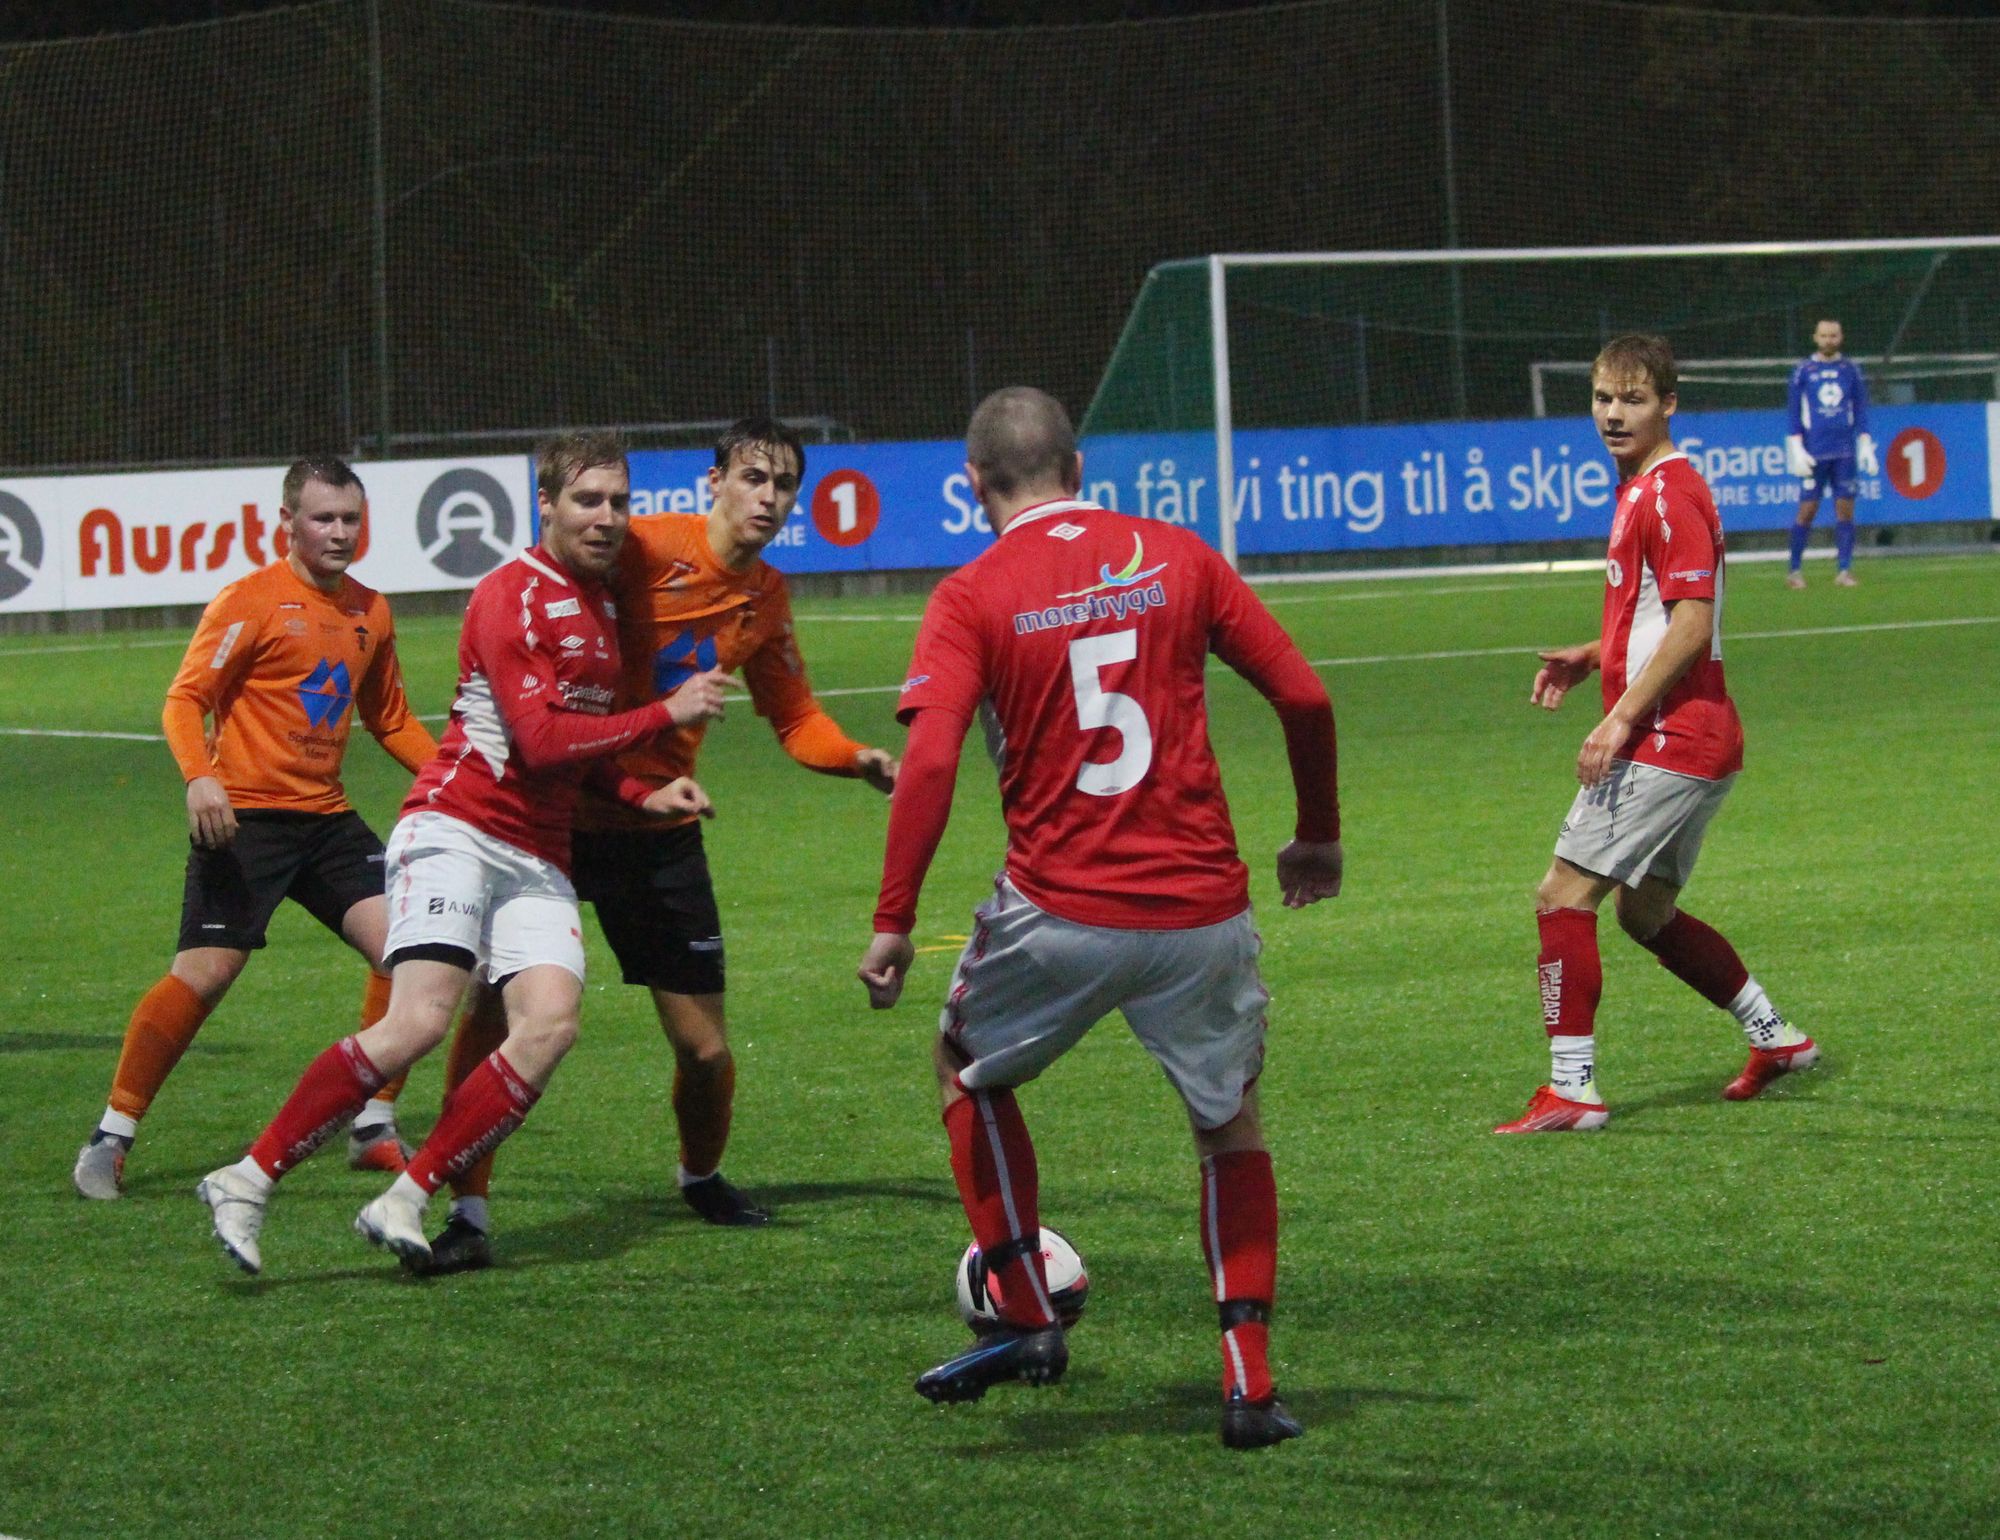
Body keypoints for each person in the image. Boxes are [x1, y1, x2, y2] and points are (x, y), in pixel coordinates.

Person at [856, 387, 1342, 1451]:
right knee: (1226, 1128)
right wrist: (1315, 835)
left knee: (961, 1067)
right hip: (1200, 910)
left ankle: (1026, 1314)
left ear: (972, 483)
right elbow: (1304, 697)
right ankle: (1248, 1388)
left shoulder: (971, 590)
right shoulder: (1176, 553)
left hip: (1059, 906)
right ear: (1078, 468)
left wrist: (893, 919)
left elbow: (931, 757)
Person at [194, 432, 730, 1275]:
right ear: (546, 505)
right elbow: (544, 741)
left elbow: (578, 762)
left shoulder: (603, 611)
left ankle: (408, 1196)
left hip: (539, 850)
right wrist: (668, 714)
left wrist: (642, 793)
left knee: (550, 1026)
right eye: (587, 501)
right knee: (419, 1021)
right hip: (457, 827)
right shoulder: (509, 594)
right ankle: (249, 1177)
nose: (606, 518)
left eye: (620, 503)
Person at [420, 417, 898, 1271]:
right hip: (558, 818)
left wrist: (853, 757)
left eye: (784, 485)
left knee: (705, 1050)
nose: (770, 498)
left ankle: (701, 1174)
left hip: (662, 829)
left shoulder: (766, 596)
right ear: (712, 480)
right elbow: (547, 594)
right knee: (494, 1016)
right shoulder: (637, 548)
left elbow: (794, 717)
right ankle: (468, 1207)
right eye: (753, 478)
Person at [72, 457, 437, 1200]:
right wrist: (200, 776)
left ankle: (373, 1125)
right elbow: (184, 700)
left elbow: (390, 718)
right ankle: (112, 1135)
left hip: (327, 821)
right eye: (323, 518)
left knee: (410, 950)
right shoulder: (252, 600)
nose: (339, 532)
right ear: (287, 524)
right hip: (245, 822)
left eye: (350, 519)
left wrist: (458, 784)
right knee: (204, 976)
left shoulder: (373, 609)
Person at [1496, 335, 1819, 1136]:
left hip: (1671, 738)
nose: (1613, 413)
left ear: (1668, 405)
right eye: (1603, 397)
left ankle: (1573, 1091)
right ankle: (1777, 1039)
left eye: (1632, 399)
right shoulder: (1643, 488)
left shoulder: (1668, 494)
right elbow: (1654, 623)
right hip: (1703, 738)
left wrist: (1618, 717)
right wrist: (1592, 655)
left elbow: (1692, 626)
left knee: (1562, 896)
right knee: (1646, 913)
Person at [1784, 318, 1876, 589]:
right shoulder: (1803, 371)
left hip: (1844, 451)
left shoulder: (1850, 370)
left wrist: (1866, 443)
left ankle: (1844, 570)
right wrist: (1796, 447)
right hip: (1814, 452)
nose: (1829, 340)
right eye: (1824, 335)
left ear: (1840, 337)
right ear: (1815, 337)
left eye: (1833, 335)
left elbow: (1860, 409)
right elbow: (1793, 413)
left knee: (1845, 510)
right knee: (1807, 510)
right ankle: (1794, 571)